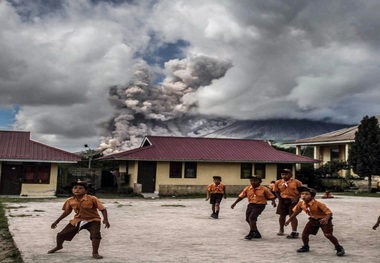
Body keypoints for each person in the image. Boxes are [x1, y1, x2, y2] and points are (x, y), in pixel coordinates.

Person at [48, 180, 110, 259]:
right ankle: (59, 246)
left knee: (95, 235)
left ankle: (95, 253)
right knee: (61, 235)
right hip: (78, 220)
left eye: (80, 188)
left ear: (86, 191)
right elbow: (67, 211)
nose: (77, 190)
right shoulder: (70, 200)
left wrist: (106, 219)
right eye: (75, 188)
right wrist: (57, 221)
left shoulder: (92, 199)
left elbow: (103, 209)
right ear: (72, 190)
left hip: (93, 220)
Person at [285, 186, 345, 256]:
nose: (304, 196)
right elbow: (296, 212)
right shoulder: (301, 204)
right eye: (302, 194)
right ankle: (305, 246)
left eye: (307, 194)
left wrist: (325, 219)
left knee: (328, 234)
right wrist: (289, 220)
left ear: (312, 196)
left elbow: (329, 213)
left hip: (324, 220)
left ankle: (339, 248)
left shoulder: (319, 204)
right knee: (304, 234)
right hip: (313, 220)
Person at [231, 175, 276, 239]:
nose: (253, 182)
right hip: (251, 204)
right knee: (247, 219)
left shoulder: (264, 189)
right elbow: (241, 196)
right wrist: (234, 203)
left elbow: (271, 196)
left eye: (255, 181)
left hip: (260, 205)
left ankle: (251, 233)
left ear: (260, 182)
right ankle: (256, 232)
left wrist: (273, 202)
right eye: (251, 181)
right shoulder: (248, 188)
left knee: (252, 218)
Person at [273, 168, 302, 238]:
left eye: (286, 174)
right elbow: (276, 191)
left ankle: (294, 231)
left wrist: (297, 198)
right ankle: (281, 229)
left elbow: (301, 191)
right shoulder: (278, 182)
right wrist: (279, 199)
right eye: (283, 174)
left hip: (293, 200)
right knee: (282, 215)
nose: (284, 176)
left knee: (292, 215)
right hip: (283, 200)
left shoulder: (296, 182)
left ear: (291, 174)